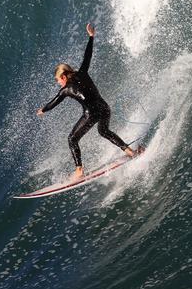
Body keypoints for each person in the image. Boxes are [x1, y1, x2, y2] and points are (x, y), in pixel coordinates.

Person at [36, 22, 140, 182]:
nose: (58, 82)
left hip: (91, 114)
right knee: (104, 131)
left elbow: (54, 102)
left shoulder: (65, 90)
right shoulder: (82, 71)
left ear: (63, 77)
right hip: (104, 108)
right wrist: (91, 37)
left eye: (58, 80)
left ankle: (79, 171)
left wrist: (43, 110)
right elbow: (87, 55)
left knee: (72, 139)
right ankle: (130, 152)